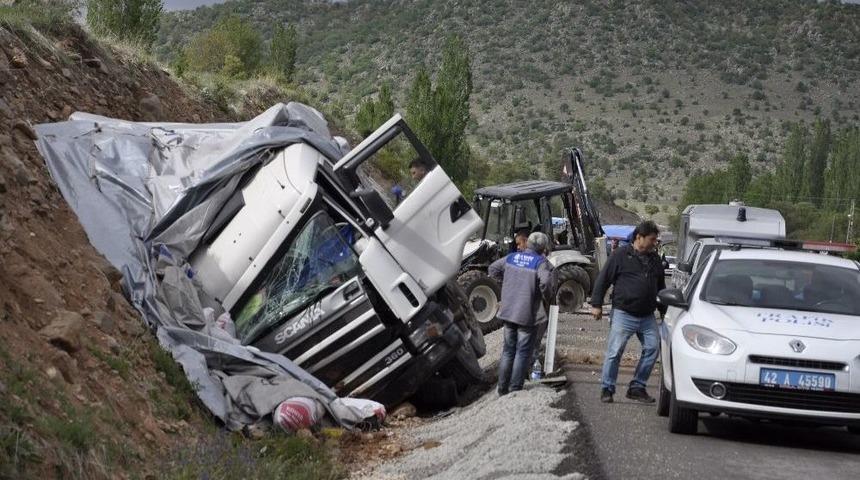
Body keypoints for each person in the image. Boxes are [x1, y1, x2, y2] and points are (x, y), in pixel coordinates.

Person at [590, 220, 666, 404]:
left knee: (653, 348)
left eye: (656, 240)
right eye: (652, 239)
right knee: (615, 352)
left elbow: (661, 288)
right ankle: (607, 389)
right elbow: (603, 279)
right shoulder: (621, 255)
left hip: (647, 316)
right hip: (624, 313)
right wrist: (596, 304)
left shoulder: (655, 260)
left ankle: (637, 387)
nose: (655, 243)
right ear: (639, 237)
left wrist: (665, 313)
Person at [489, 232, 555, 395]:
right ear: (542, 248)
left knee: (508, 350)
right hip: (526, 314)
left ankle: (502, 388)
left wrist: (507, 284)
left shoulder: (511, 258)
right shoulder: (540, 263)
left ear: (528, 244)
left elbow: (492, 269)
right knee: (522, 351)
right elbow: (546, 282)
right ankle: (515, 388)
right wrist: (545, 297)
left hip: (508, 311)